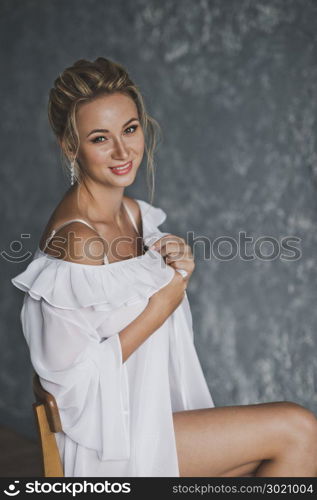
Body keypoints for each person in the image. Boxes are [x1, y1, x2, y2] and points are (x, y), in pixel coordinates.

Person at [11, 57, 317, 478]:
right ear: (70, 146)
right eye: (100, 138)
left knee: (294, 445)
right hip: (109, 448)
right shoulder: (76, 242)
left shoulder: (136, 216)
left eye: (130, 129)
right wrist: (161, 306)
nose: (123, 151)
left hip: (154, 421)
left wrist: (178, 267)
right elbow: (67, 394)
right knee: (298, 431)